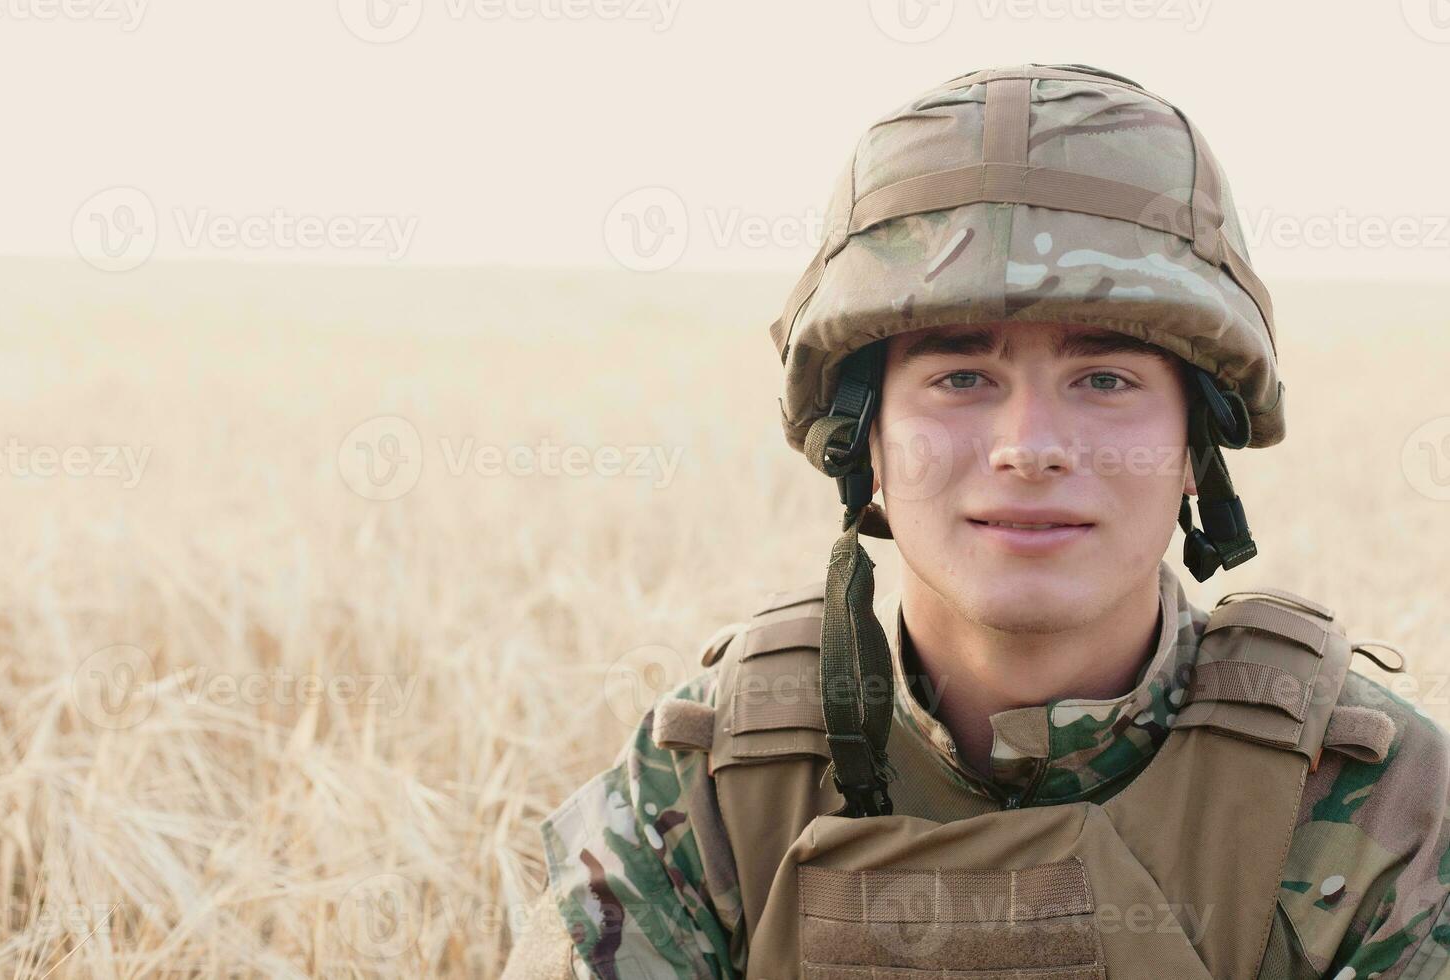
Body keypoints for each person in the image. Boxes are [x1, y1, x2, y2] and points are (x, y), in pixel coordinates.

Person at [501, 63, 1450, 979]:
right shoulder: (721, 789)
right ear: (859, 440)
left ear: (1198, 445)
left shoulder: (1371, 795)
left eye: (1105, 378)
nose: (1029, 446)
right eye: (961, 378)